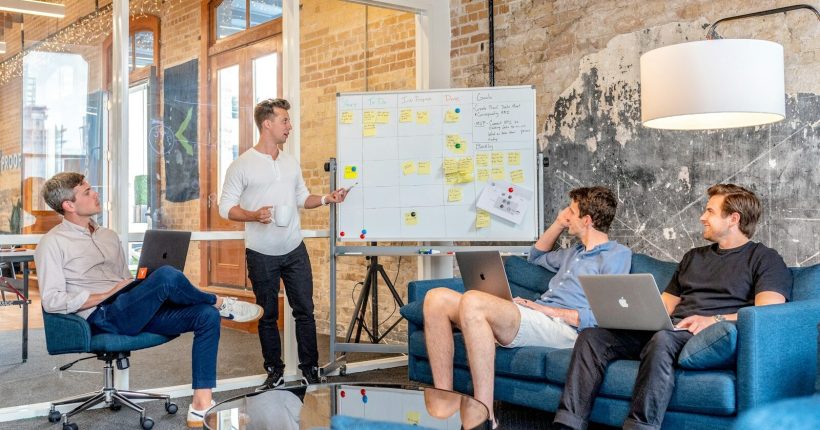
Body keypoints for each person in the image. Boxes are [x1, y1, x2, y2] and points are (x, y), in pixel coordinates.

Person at [552, 184, 793, 430]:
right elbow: (665, 306)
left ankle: (641, 426)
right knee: (593, 337)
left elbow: (767, 314)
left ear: (733, 219)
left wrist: (714, 320)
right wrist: (631, 315)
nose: (702, 217)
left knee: (663, 339)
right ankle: (568, 424)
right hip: (673, 330)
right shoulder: (693, 257)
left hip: (709, 336)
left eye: (709, 211)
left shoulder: (765, 258)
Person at [35, 172, 263, 428]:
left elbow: (123, 279)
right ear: (68, 205)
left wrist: (136, 285)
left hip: (129, 307)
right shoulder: (52, 243)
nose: (95, 193)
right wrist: (105, 294)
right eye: (87, 192)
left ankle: (201, 405)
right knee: (166, 276)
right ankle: (219, 302)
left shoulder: (107, 235)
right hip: (102, 316)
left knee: (204, 316)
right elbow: (52, 300)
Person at [423, 186, 632, 425]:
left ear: (587, 220)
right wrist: (557, 223)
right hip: (537, 318)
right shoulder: (573, 253)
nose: (566, 214)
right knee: (436, 298)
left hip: (565, 329)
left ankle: (485, 417)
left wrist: (550, 310)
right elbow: (535, 257)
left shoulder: (616, 255)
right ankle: (445, 397)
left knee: (473, 301)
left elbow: (607, 314)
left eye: (571, 212)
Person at [219, 98, 348, 390]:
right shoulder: (242, 164)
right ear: (268, 123)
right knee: (267, 313)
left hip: (294, 249)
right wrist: (253, 214)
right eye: (284, 120)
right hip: (261, 253)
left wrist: (328, 198)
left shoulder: (290, 162)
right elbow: (225, 208)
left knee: (304, 310)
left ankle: (309, 370)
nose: (289, 126)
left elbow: (303, 198)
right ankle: (274, 371)